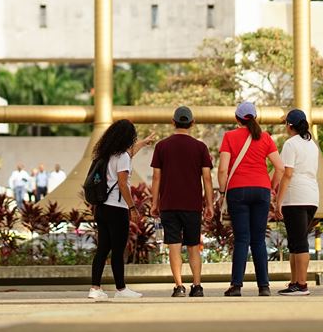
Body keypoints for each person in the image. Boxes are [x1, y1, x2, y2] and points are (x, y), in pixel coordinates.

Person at [218, 101, 283, 297]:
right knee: (258, 240)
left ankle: (236, 285)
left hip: (238, 190)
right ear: (254, 118)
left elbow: (222, 169)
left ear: (237, 118)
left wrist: (222, 192)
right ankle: (264, 286)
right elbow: (280, 167)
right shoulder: (265, 137)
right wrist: (269, 186)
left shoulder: (229, 136)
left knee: (242, 240)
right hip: (262, 189)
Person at [88, 120, 158, 301]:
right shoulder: (123, 157)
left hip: (102, 208)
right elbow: (122, 184)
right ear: (128, 137)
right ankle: (121, 289)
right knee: (118, 250)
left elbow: (129, 153)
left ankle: (95, 288)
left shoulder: (105, 154)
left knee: (102, 249)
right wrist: (132, 207)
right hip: (116, 209)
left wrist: (143, 143)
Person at [150, 106, 214, 298]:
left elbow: (156, 177)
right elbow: (207, 179)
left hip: (169, 204)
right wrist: (209, 204)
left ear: (173, 122)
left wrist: (154, 203)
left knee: (174, 245)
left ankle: (179, 286)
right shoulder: (200, 147)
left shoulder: (162, 146)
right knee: (194, 245)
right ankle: (197, 285)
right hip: (192, 204)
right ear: (192, 123)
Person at [272, 109, 320, 296]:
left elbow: (287, 174)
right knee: (295, 242)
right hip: (311, 196)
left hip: (296, 198)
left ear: (290, 126)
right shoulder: (311, 145)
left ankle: (302, 284)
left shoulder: (291, 144)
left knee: (298, 243)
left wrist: (278, 201)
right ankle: (294, 282)